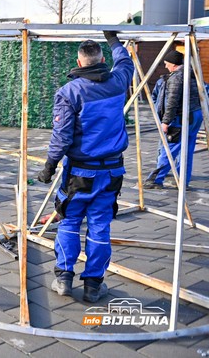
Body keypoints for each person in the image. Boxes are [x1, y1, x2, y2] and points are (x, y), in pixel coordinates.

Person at [37, 31, 133, 303]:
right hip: (111, 171)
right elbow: (125, 62)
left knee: (69, 220)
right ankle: (93, 285)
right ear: (101, 60)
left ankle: (64, 278)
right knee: (100, 224)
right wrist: (113, 41)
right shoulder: (118, 81)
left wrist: (49, 166)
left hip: (79, 172)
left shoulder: (70, 92)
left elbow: (62, 136)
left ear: (79, 63)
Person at [144, 49, 203, 189]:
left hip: (182, 117)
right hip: (195, 115)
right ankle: (182, 181)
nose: (166, 66)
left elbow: (172, 101)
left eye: (167, 63)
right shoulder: (192, 73)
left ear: (174, 64)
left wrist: (165, 122)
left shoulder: (177, 77)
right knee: (187, 149)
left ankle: (156, 179)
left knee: (169, 148)